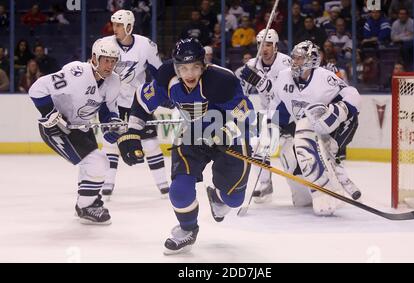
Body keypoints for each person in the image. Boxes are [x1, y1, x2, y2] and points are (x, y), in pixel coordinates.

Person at [117, 38, 254, 254]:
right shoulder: (166, 79)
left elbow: (246, 116)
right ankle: (187, 229)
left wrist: (224, 133)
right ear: (175, 67)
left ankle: (218, 197)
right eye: (183, 68)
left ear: (204, 66)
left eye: (195, 67)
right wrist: (132, 132)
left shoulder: (221, 81)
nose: (189, 74)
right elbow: (142, 102)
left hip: (229, 134)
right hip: (192, 133)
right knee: (179, 191)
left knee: (233, 199)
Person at [28, 39, 122, 224]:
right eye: (106, 60)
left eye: (113, 61)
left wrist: (111, 125)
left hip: (81, 126)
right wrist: (51, 114)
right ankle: (85, 207)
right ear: (94, 58)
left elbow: (108, 110)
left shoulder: (114, 80)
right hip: (56, 128)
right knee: (98, 162)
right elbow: (37, 89)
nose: (109, 65)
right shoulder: (76, 73)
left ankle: (88, 201)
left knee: (92, 163)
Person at [268, 40, 362, 214]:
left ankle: (325, 193)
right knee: (287, 154)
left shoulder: (324, 77)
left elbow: (353, 95)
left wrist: (339, 110)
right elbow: (277, 105)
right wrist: (268, 126)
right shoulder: (283, 77)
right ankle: (304, 196)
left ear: (311, 60)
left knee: (304, 129)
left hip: (334, 127)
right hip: (308, 128)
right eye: (294, 57)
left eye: (300, 58)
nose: (294, 61)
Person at [102, 9, 170, 198]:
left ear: (129, 27)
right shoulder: (103, 45)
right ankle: (107, 184)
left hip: (138, 102)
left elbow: (159, 72)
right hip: (113, 102)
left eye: (118, 25)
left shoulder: (145, 45)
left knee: (150, 143)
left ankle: (163, 185)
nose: (114, 28)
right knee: (110, 142)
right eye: (113, 24)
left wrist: (166, 94)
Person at [237, 28, 291, 203]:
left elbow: (287, 94)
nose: (264, 48)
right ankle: (265, 183)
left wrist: (261, 83)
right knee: (257, 144)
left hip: (288, 113)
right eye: (260, 44)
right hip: (268, 113)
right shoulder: (252, 64)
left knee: (290, 153)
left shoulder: (286, 63)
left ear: (275, 46)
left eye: (268, 44)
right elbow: (241, 92)